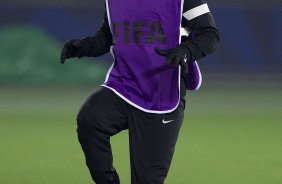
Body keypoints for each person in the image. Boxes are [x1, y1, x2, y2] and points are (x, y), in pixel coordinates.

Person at [60, 0, 219, 183]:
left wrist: (186, 51)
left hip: (162, 96)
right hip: (122, 87)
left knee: (146, 180)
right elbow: (108, 35)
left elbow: (210, 35)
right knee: (90, 119)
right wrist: (85, 46)